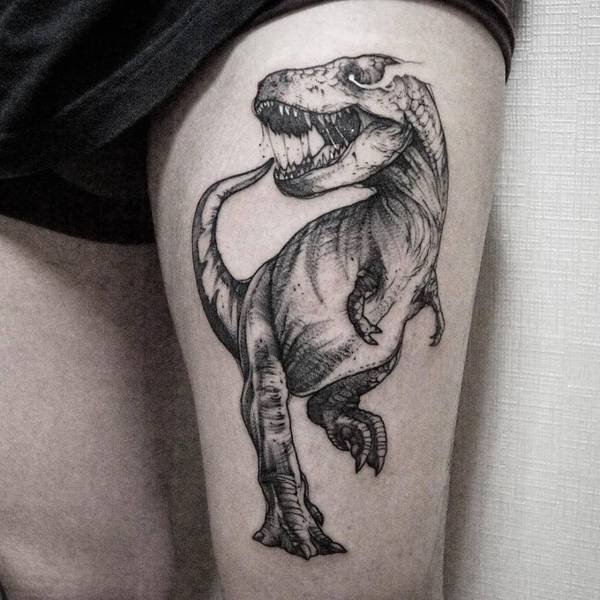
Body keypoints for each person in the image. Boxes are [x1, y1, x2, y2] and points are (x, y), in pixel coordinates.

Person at [0, 1, 514, 598]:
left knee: (328, 590)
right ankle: (285, 498)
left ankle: (329, 416)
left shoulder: (401, 156)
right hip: (31, 42)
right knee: (71, 580)